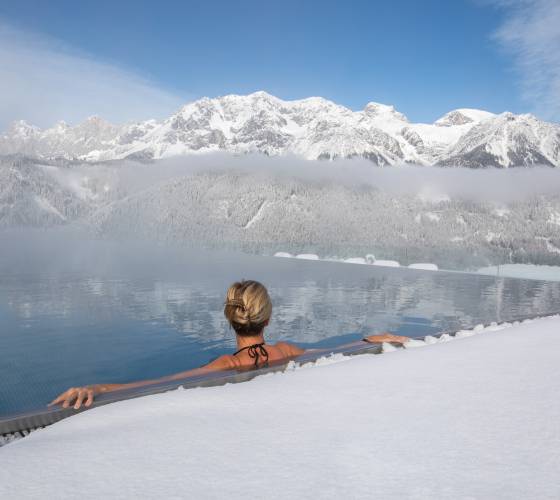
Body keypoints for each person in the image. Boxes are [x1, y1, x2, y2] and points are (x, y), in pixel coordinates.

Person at [49, 280, 409, 410]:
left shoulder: (225, 366)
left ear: (229, 318)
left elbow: (157, 385)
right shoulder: (287, 352)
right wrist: (370, 340)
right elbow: (330, 354)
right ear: (267, 319)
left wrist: (97, 388)